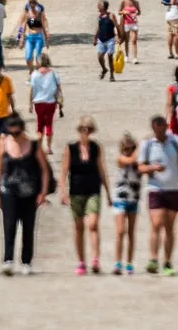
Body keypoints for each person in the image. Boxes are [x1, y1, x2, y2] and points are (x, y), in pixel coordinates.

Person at [0, 114, 50, 275]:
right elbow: (0, 169)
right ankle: (8, 259)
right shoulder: (4, 143)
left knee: (28, 227)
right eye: (11, 133)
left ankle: (26, 261)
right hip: (8, 191)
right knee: (9, 225)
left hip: (29, 193)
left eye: (17, 133)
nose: (14, 136)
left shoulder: (33, 145)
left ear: (23, 130)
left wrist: (43, 193)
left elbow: (44, 170)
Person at [138, 114, 178, 275]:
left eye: (161, 129)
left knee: (169, 227)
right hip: (155, 188)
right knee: (156, 223)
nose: (159, 133)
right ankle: (153, 259)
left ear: (166, 127)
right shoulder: (147, 144)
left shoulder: (176, 142)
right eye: (156, 130)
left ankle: (168, 262)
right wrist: (153, 169)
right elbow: (140, 167)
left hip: (174, 188)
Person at [64, 116, 107, 274]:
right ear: (79, 130)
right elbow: (64, 170)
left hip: (93, 190)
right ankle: (81, 261)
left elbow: (101, 169)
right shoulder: (71, 148)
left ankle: (95, 259)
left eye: (88, 129)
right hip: (76, 191)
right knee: (78, 227)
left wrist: (108, 192)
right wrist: (63, 191)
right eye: (83, 129)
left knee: (93, 224)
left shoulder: (96, 148)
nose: (86, 132)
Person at [109, 132, 143, 274]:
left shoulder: (139, 162)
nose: (128, 151)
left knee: (131, 233)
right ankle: (117, 262)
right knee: (120, 231)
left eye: (131, 148)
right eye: (126, 149)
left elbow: (143, 168)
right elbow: (127, 162)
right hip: (120, 198)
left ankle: (129, 263)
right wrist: (142, 147)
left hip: (134, 198)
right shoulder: (121, 159)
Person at [28, 52, 62, 150]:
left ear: (38, 62)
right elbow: (59, 89)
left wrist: (30, 104)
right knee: (49, 124)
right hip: (51, 102)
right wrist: (60, 102)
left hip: (38, 103)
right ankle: (49, 147)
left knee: (40, 125)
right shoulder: (54, 74)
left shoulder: (34, 74)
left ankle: (38, 147)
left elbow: (31, 90)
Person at [19, 0, 49, 67]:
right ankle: (31, 69)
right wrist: (20, 37)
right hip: (30, 35)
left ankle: (37, 71)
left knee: (38, 57)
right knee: (28, 57)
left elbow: (44, 20)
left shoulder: (40, 8)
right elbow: (22, 23)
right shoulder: (27, 8)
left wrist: (46, 34)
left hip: (38, 35)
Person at [94, 0, 120, 82]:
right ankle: (104, 69)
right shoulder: (99, 16)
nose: (98, 6)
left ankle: (112, 76)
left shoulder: (111, 15)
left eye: (100, 5)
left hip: (110, 39)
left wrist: (119, 37)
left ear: (104, 6)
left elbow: (117, 26)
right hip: (101, 40)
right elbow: (98, 28)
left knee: (109, 56)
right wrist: (95, 38)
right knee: (99, 57)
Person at [118, 0, 141, 64]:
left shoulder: (136, 2)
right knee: (127, 40)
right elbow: (119, 12)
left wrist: (136, 13)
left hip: (134, 23)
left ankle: (135, 58)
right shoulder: (123, 2)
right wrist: (124, 12)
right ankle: (127, 55)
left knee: (134, 41)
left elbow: (139, 12)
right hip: (126, 23)